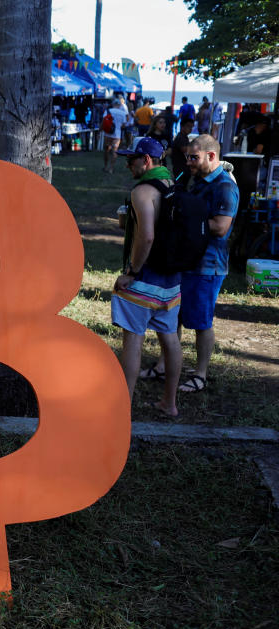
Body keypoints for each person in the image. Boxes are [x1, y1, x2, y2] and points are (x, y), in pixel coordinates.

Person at [143, 135, 239, 392]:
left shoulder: (225, 186)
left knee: (200, 321)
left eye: (193, 157)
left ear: (211, 156)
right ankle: (164, 365)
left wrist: (182, 224)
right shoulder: (189, 178)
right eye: (187, 157)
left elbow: (220, 227)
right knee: (172, 317)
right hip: (183, 260)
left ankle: (200, 374)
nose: (188, 162)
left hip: (207, 266)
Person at [111, 136, 182, 416]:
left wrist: (131, 272)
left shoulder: (142, 192)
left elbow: (147, 236)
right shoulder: (172, 184)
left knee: (133, 340)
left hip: (144, 282)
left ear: (147, 160)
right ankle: (169, 404)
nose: (128, 165)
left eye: (132, 160)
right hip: (171, 282)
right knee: (171, 340)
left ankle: (122, 409)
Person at [102, 99, 129, 173]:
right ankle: (111, 168)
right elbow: (124, 125)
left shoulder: (108, 111)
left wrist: (100, 131)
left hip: (107, 134)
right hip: (117, 135)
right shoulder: (123, 113)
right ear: (120, 105)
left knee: (106, 150)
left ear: (112, 104)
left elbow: (103, 121)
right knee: (114, 151)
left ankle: (105, 166)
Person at [170, 117, 194, 183]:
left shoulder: (184, 137)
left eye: (192, 127)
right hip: (180, 169)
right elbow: (185, 150)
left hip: (183, 168)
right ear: (182, 126)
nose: (190, 129)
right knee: (178, 185)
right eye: (188, 126)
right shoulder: (180, 138)